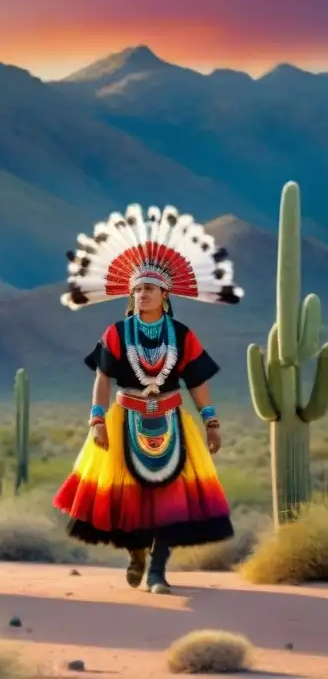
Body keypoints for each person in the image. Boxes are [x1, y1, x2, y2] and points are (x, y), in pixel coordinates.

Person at [53, 203, 243, 594]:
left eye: (149, 289)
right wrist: (97, 419)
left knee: (169, 503)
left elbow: (196, 381)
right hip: (125, 420)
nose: (142, 294)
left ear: (165, 294)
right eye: (137, 289)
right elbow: (102, 379)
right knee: (128, 501)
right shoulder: (116, 333)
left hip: (174, 420)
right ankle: (136, 555)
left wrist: (211, 421)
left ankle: (157, 570)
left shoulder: (183, 334)